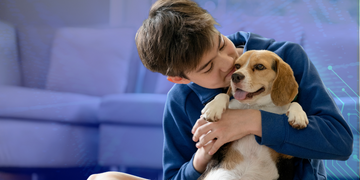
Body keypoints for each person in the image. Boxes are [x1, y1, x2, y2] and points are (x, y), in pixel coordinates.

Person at [88, 0, 353, 179]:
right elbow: (174, 176)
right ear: (180, 79)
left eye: (221, 43)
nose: (229, 66)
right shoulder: (181, 100)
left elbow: (340, 143)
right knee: (103, 178)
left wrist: (252, 121)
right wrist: (201, 158)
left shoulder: (285, 58)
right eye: (207, 68)